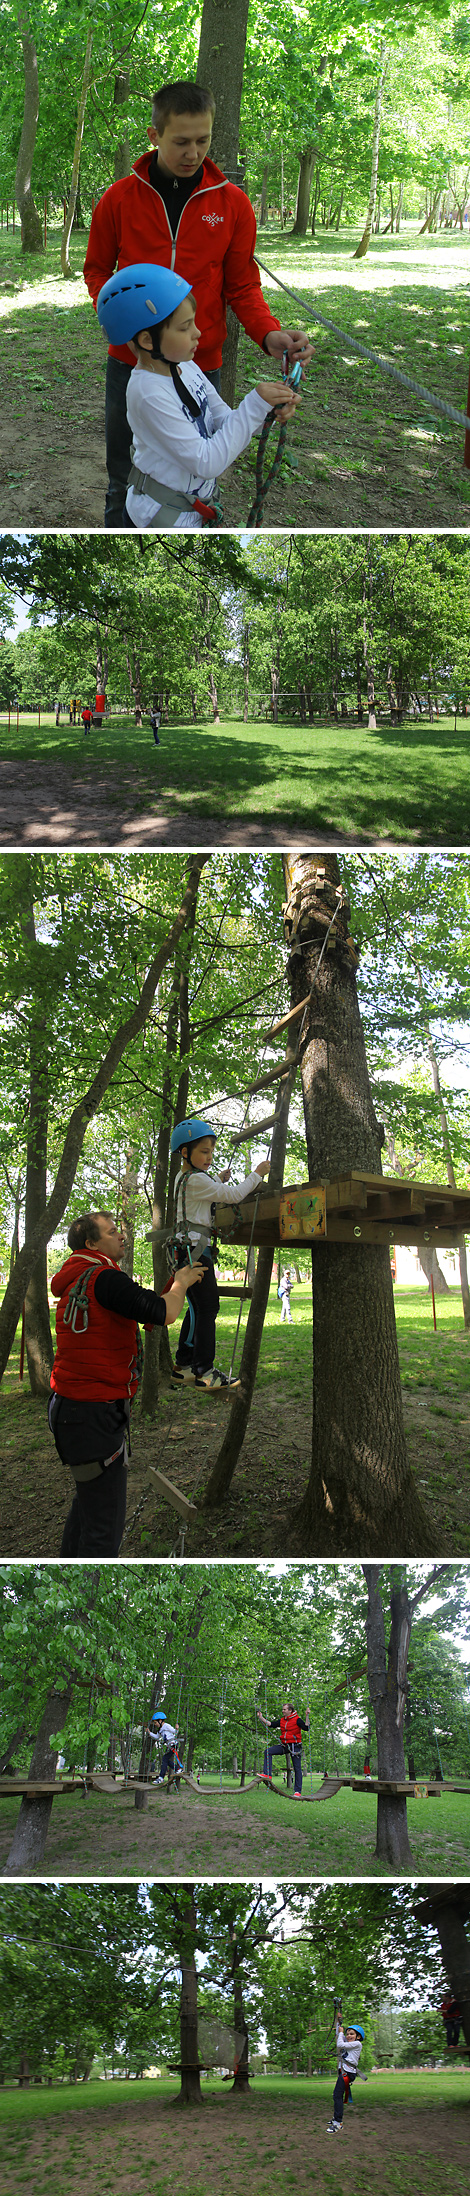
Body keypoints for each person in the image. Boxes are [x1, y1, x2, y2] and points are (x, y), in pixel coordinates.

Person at [84, 77, 313, 525]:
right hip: (131, 359)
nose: (193, 153)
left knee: (196, 470)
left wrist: (270, 334)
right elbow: (97, 270)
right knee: (122, 474)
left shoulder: (232, 204)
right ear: (155, 136)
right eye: (181, 141)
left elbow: (243, 286)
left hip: (198, 359)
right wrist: (121, 319)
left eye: (203, 140)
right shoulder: (118, 199)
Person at [96, 263, 301, 530]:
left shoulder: (185, 366)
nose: (198, 333)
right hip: (160, 519)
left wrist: (266, 411)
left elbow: (222, 420)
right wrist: (254, 405)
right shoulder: (148, 393)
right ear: (148, 341)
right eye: (185, 327)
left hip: (190, 510)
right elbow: (207, 462)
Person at [48, 1207, 204, 1556]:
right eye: (111, 1231)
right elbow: (165, 1313)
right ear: (91, 1242)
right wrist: (181, 1282)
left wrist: (167, 1289)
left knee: (89, 1506)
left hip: (74, 1411)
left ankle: (70, 1572)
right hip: (91, 1416)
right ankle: (83, 1599)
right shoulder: (103, 1277)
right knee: (104, 1527)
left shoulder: (80, 1276)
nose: (122, 1235)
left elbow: (142, 1307)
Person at [168, 1117, 270, 1391]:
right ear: (185, 1153)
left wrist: (217, 1179)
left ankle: (184, 1365)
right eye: (204, 1151)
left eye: (211, 1151)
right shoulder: (197, 1180)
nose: (209, 1157)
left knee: (197, 1306)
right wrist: (257, 1173)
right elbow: (235, 1195)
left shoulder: (184, 1177)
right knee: (208, 1307)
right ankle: (206, 1372)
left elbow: (207, 1190)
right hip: (195, 1253)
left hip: (185, 1250)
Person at [257, 1699, 309, 1796]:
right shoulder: (282, 1720)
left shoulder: (297, 1719)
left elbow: (306, 1728)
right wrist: (261, 1718)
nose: (283, 1711)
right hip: (285, 1745)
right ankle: (267, 1774)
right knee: (268, 1751)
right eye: (283, 1709)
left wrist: (307, 1716)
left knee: (297, 1768)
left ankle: (298, 1791)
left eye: (284, 1709)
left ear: (290, 1711)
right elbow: (271, 1724)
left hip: (295, 1746)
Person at [327, 2013, 364, 2133]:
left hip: (347, 2073)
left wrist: (342, 2032)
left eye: (352, 2034)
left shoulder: (357, 2044)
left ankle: (338, 2122)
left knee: (337, 2096)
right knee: (337, 2095)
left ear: (358, 2037)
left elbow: (339, 2043)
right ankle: (336, 2119)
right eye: (348, 2034)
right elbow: (339, 2036)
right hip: (345, 2072)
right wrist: (339, 2022)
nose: (349, 2036)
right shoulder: (349, 2044)